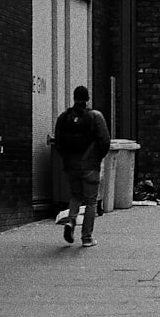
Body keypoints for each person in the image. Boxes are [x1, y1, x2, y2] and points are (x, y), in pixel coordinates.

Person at [53, 86, 111, 247]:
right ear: (87, 98)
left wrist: (66, 159)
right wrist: (97, 157)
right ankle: (87, 237)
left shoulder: (64, 117)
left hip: (71, 166)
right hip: (90, 165)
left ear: (74, 97)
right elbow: (105, 141)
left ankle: (71, 221)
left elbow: (58, 142)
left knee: (76, 196)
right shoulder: (95, 116)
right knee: (91, 201)